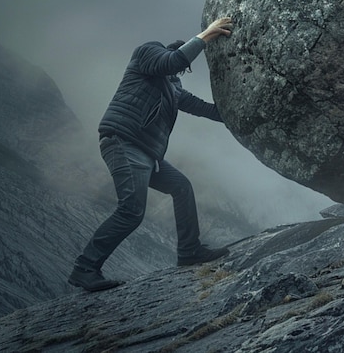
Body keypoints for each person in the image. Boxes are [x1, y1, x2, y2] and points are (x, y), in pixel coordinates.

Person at [68, 16, 233, 292]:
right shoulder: (146, 54)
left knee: (181, 187)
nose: (181, 73)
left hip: (147, 155)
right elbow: (173, 62)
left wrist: (242, 115)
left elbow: (205, 108)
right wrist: (205, 36)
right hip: (124, 142)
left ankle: (189, 251)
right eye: (181, 66)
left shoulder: (172, 88)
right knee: (131, 210)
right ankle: (85, 269)